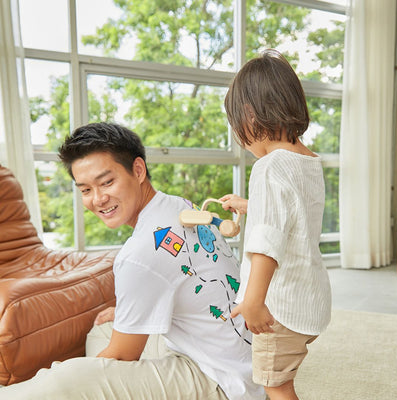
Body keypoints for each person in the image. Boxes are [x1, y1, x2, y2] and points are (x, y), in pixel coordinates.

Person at [0, 122, 265, 400]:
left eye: (107, 182)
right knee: (102, 332)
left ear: (138, 170)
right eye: (86, 190)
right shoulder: (180, 205)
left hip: (222, 380)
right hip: (240, 355)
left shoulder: (138, 254)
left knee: (68, 379)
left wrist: (88, 378)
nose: (98, 199)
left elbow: (123, 355)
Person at [219, 49, 332, 400]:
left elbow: (267, 241)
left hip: (278, 305)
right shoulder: (308, 162)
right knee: (281, 377)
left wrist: (253, 301)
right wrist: (249, 206)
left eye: (236, 124)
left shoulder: (269, 167)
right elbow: (293, 215)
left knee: (276, 385)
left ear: (251, 114)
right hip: (308, 295)